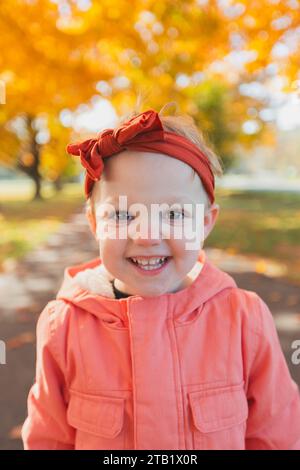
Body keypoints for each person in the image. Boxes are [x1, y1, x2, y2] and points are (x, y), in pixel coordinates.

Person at [22, 104, 300, 450]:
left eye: (173, 213)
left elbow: (276, 437)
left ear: (204, 223)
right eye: (123, 214)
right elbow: (49, 439)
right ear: (94, 223)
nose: (148, 234)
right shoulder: (63, 325)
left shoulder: (245, 320)